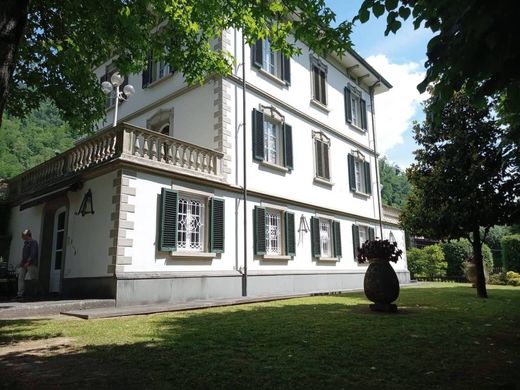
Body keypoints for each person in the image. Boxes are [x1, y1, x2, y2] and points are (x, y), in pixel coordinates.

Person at [16, 229, 39, 300]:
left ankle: (37, 293)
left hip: (31, 264)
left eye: (23, 235)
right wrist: (21, 263)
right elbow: (24, 255)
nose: (22, 237)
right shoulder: (25, 244)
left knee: (34, 279)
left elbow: (33, 253)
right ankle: (20, 294)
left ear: (27, 235)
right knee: (21, 278)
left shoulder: (33, 242)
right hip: (24, 264)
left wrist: (28, 262)